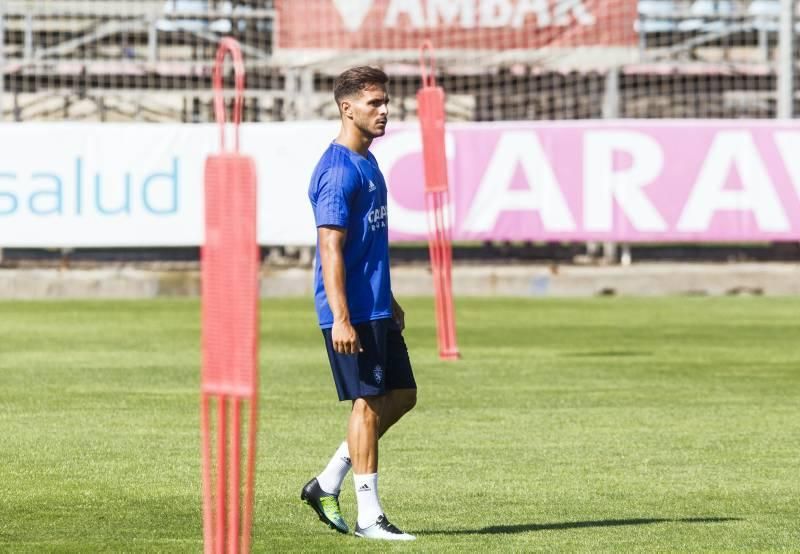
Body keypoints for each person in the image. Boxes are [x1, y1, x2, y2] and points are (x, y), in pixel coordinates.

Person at [301, 66, 417, 541]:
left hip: (375, 308)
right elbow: (330, 248)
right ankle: (370, 517)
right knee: (366, 406)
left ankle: (326, 482)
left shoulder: (368, 161)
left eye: (386, 102)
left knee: (403, 396)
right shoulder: (336, 171)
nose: (385, 110)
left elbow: (367, 246)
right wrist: (342, 318)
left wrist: (388, 298)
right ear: (347, 108)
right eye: (374, 103)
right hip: (350, 313)